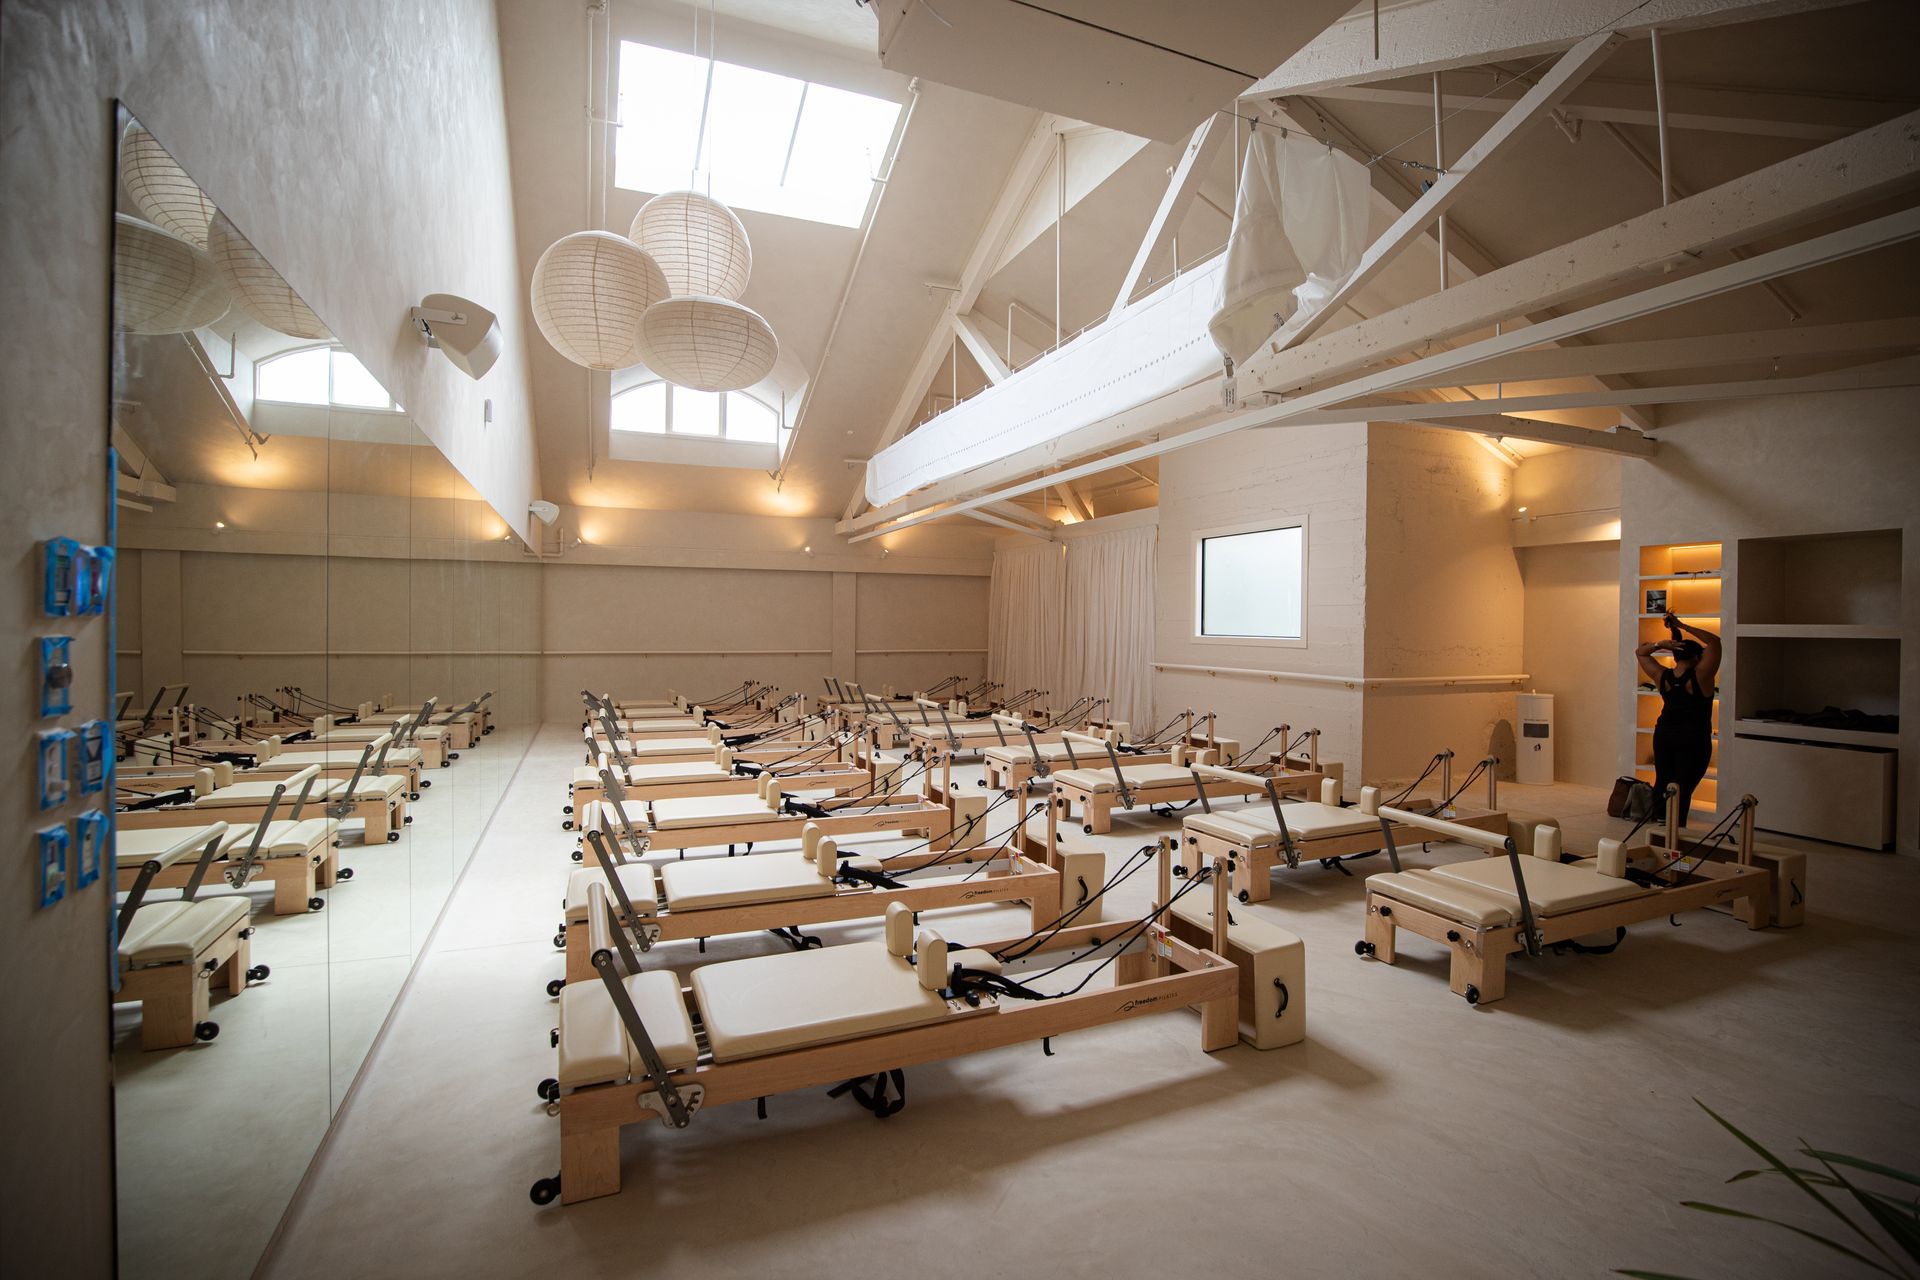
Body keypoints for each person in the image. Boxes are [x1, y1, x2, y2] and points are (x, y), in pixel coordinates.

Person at [1634, 612, 1721, 825]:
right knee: (1683, 786)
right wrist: (1683, 626)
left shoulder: (1661, 675)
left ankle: (1659, 825)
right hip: (1693, 738)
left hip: (1664, 735)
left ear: (1675, 657)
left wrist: (1660, 644)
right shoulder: (1702, 676)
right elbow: (1715, 642)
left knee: (1663, 782)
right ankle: (1675, 829)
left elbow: (1641, 653)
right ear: (1697, 658)